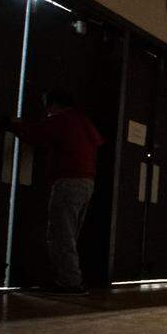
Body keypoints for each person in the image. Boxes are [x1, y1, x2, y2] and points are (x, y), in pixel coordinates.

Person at [7, 89, 104, 294]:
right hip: (87, 182)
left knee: (61, 234)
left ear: (54, 104)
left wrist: (15, 125)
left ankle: (70, 282)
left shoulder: (62, 119)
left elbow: (36, 134)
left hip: (68, 182)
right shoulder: (83, 122)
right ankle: (69, 279)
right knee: (69, 234)